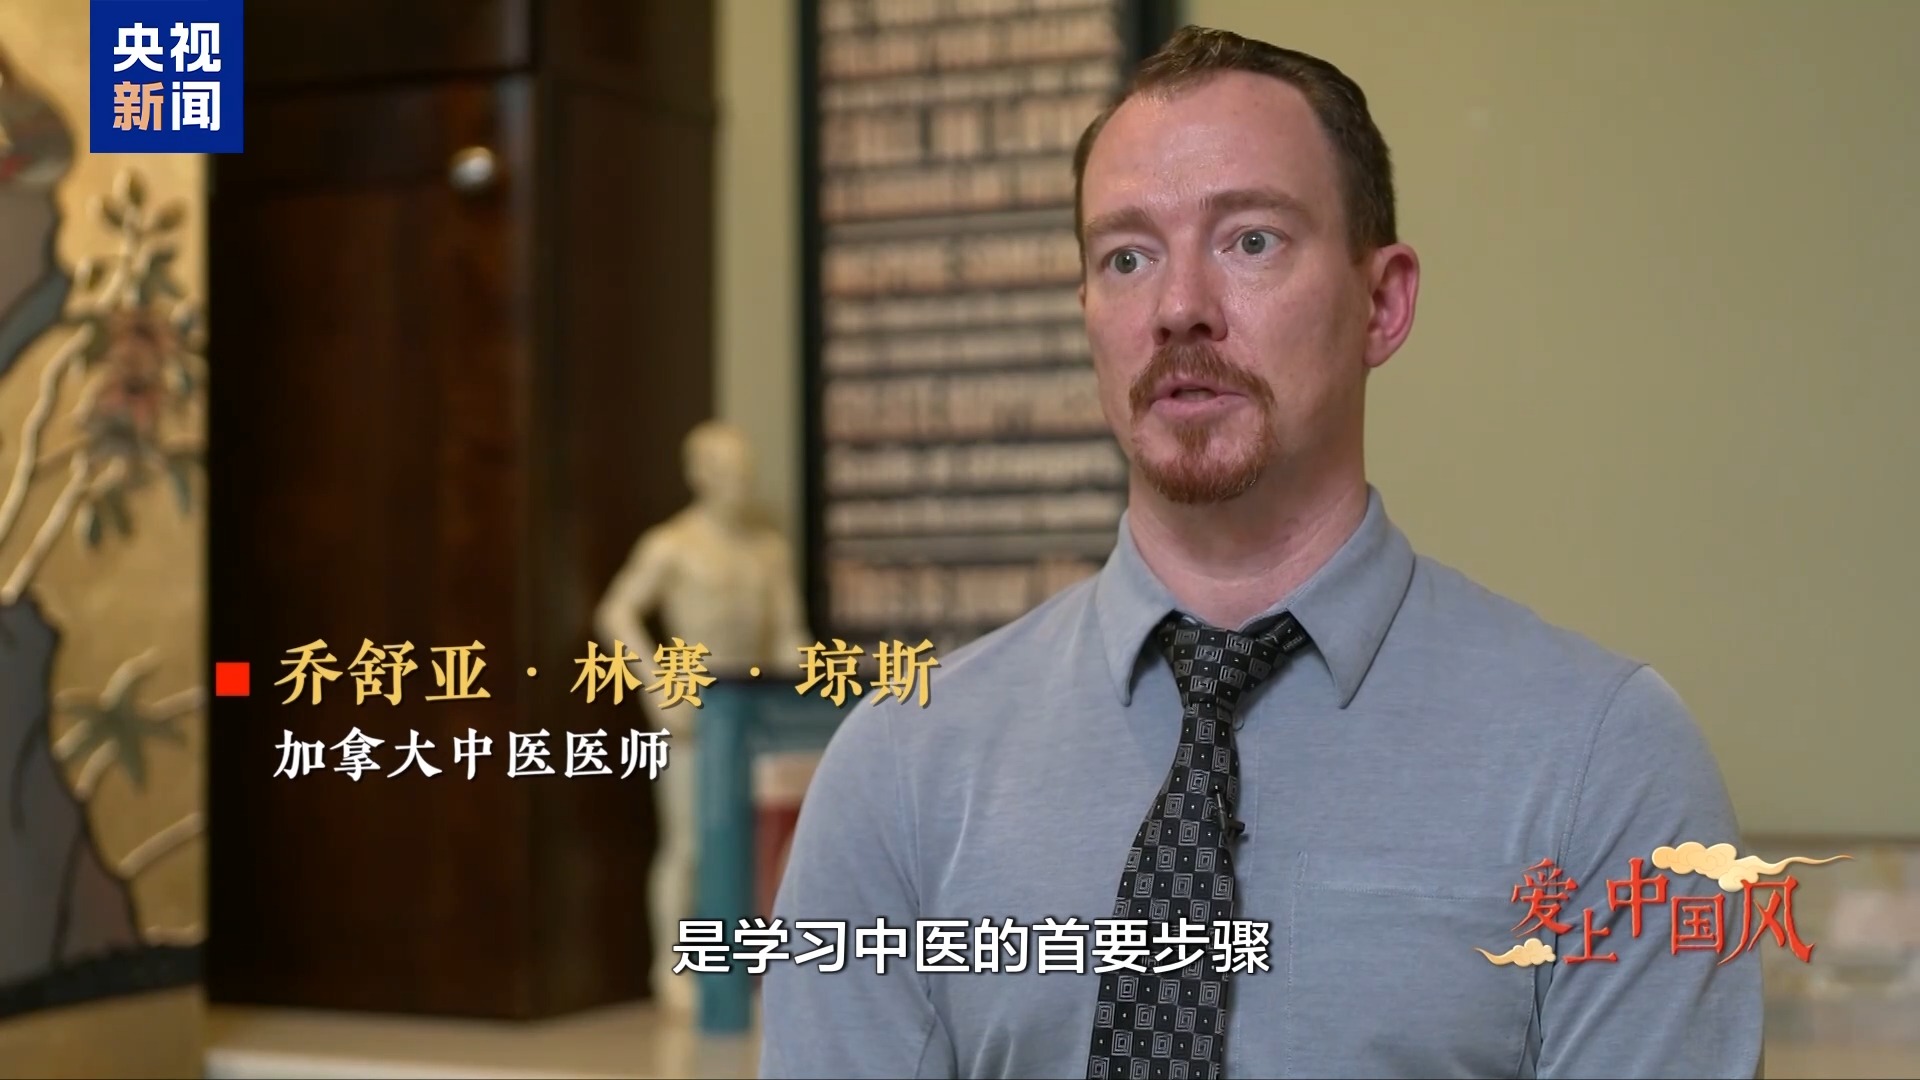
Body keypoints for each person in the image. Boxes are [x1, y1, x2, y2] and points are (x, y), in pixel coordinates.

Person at [760, 25, 1762, 1080]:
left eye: (1250, 241)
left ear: (1383, 302)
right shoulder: (902, 772)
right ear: (1088, 312)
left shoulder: (1604, 764)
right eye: (1127, 257)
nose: (1179, 308)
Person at [594, 419, 813, 1015]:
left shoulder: (768, 550)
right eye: (727, 470)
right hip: (694, 714)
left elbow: (788, 632)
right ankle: (671, 964)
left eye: (745, 471)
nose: (739, 482)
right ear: (700, 475)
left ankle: (747, 961)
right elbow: (616, 613)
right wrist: (656, 686)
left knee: (757, 841)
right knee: (689, 843)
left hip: (755, 711)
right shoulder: (672, 545)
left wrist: (804, 681)